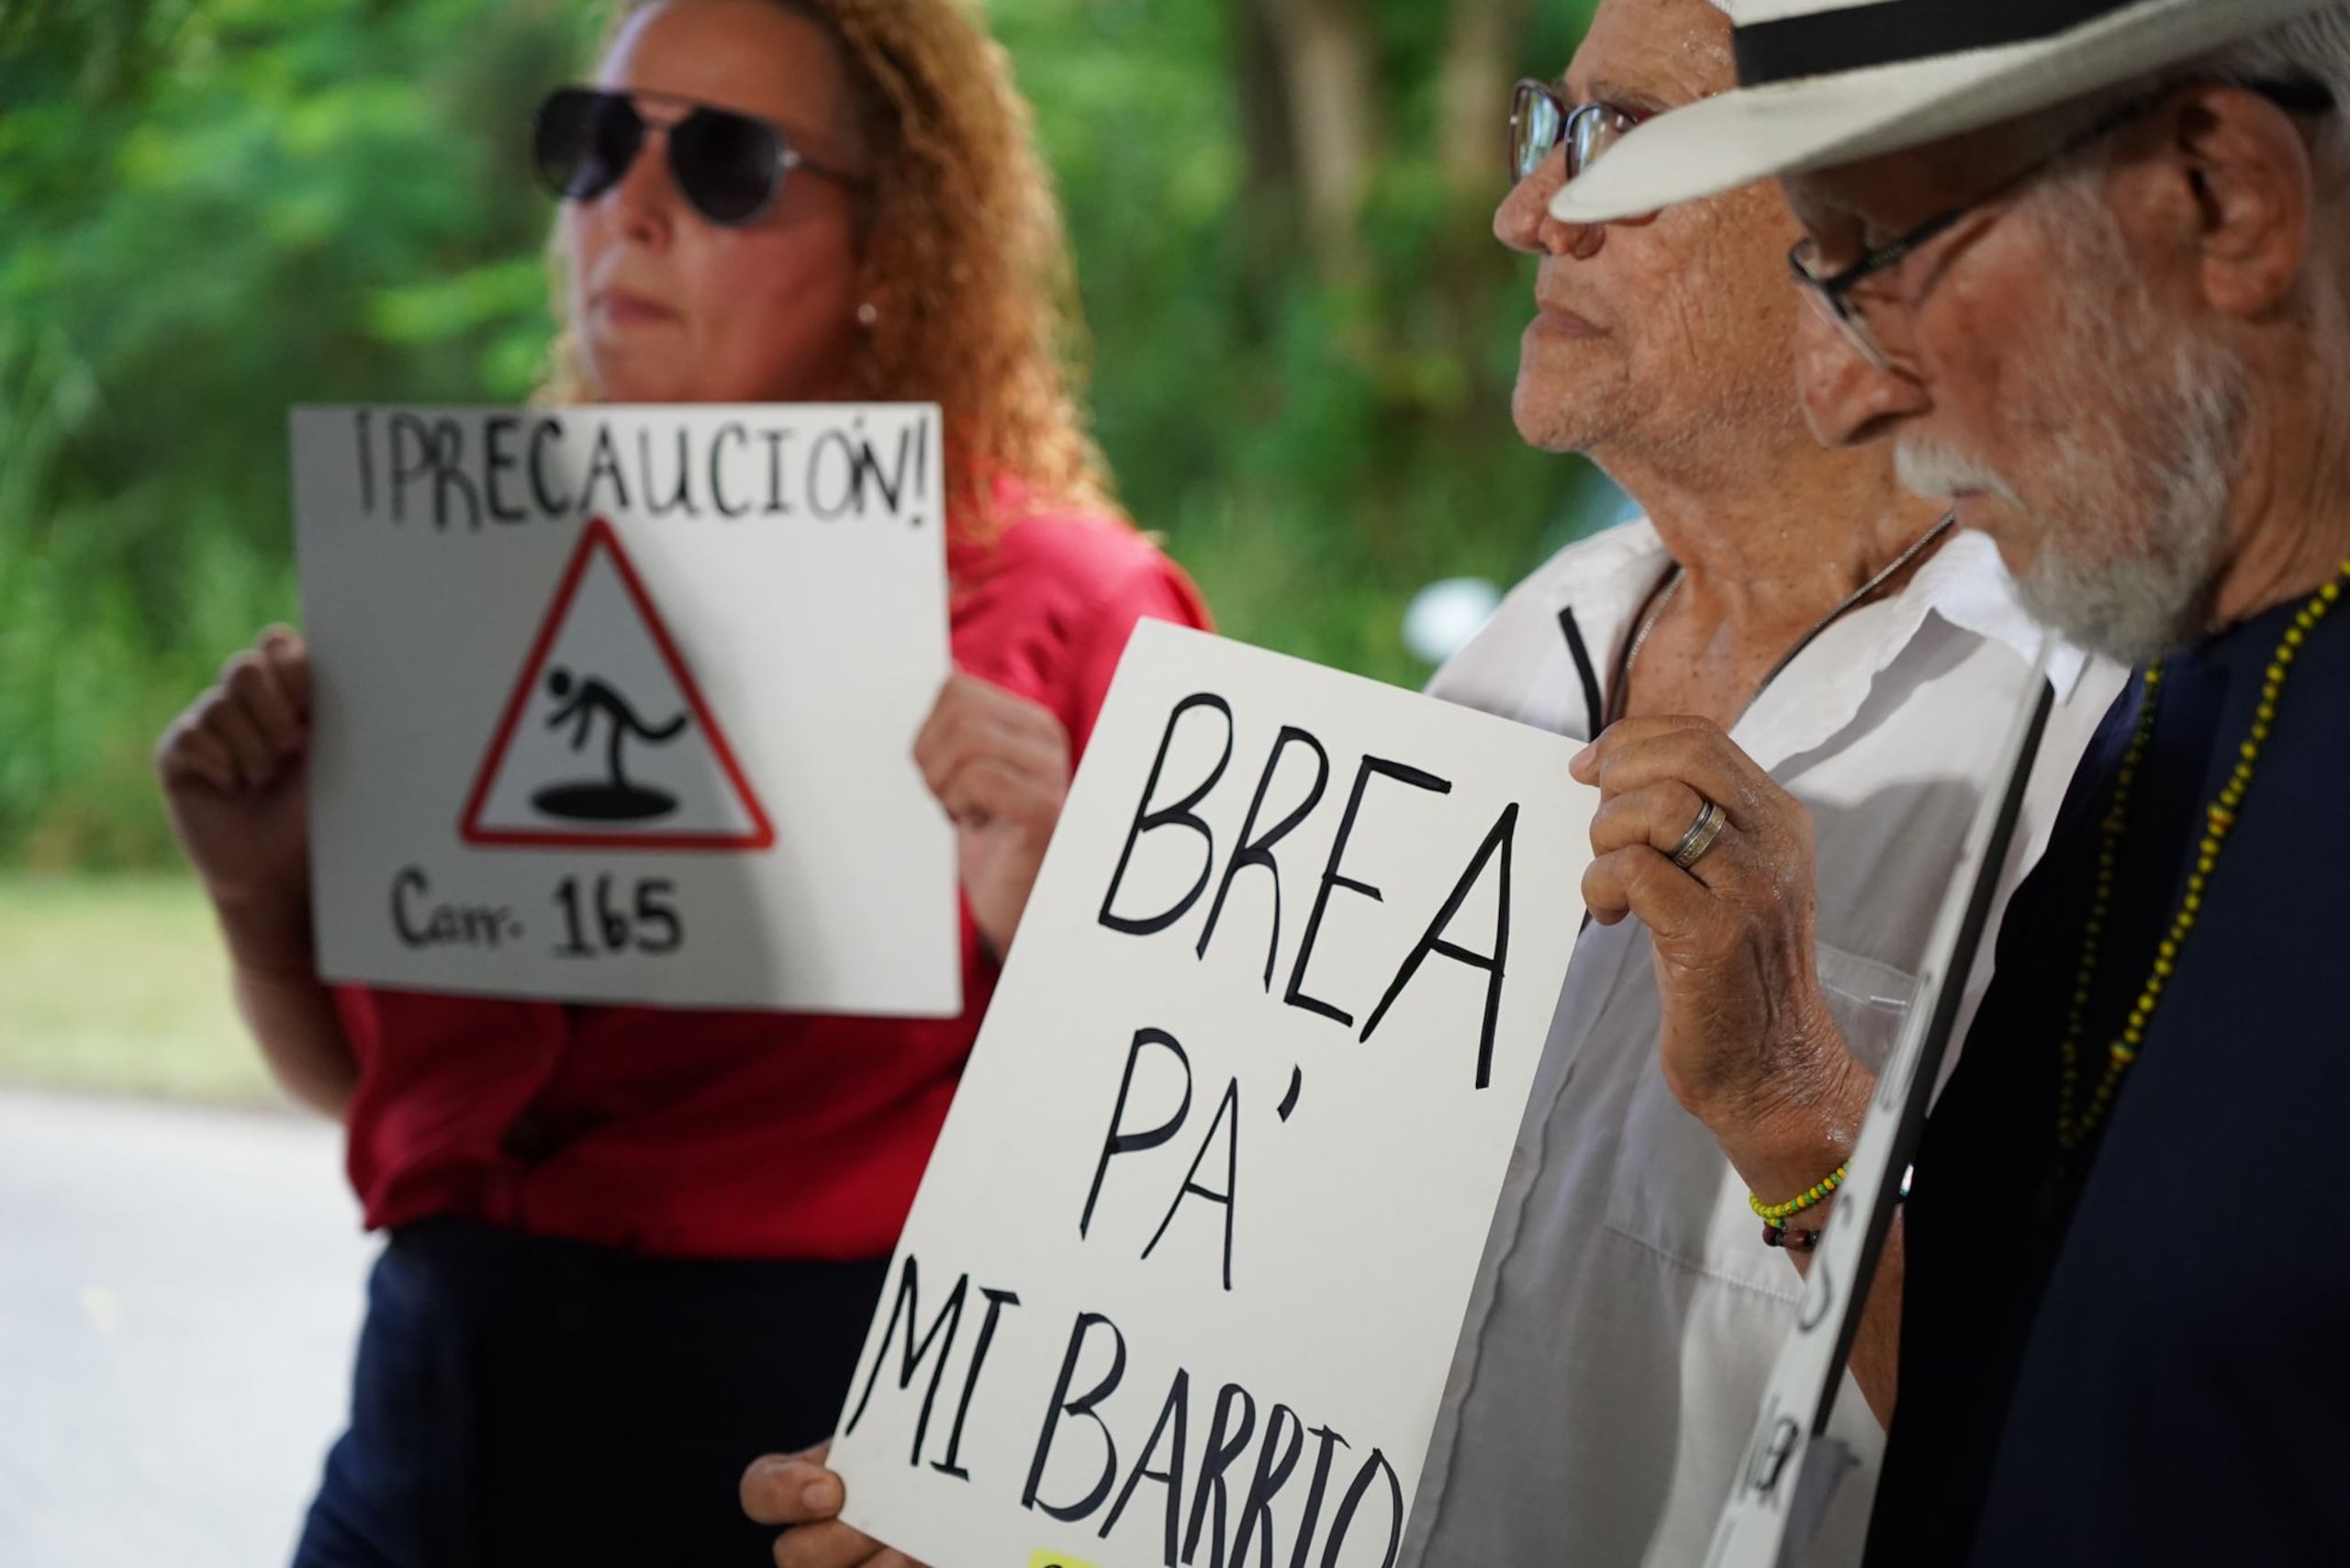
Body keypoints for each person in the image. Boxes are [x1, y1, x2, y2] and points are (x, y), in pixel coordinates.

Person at [739, 2, 2122, 1562]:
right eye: (1552, 128)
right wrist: (1005, 1498)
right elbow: (1285, 1316)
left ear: (1862, 225)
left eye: (1625, 148)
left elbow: (2118, 1440)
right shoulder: (1518, 661)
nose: (1526, 210)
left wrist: (1794, 1105)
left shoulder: (2088, 730)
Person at [152, 1, 1208, 1562]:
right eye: (593, 144)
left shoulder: (1070, 605)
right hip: (418, 1435)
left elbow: (1199, 1176)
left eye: (724, 162)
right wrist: (258, 888)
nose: (625, 211)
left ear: (897, 249)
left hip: (805, 1460)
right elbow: (379, 1100)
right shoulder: (464, 572)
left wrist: (1055, 935)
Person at [1549, 2, 2350, 1564]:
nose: (1849, 392)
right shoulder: (2178, 724)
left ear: (2219, 199)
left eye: (1887, 261)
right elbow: (2049, 1409)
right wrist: (1786, 1108)